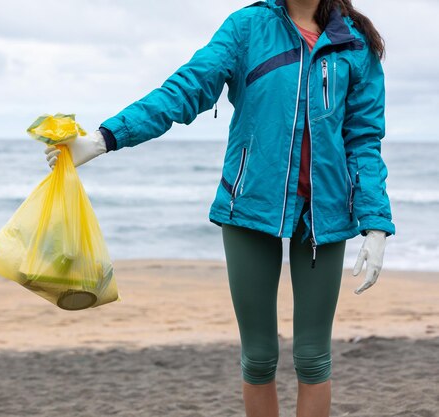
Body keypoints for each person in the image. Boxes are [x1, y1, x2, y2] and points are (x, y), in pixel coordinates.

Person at [44, 0, 396, 415]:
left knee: (313, 357)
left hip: (324, 213)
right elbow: (185, 88)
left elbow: (363, 140)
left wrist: (376, 223)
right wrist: (105, 138)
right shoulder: (247, 28)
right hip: (250, 205)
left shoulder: (354, 43)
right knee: (260, 356)